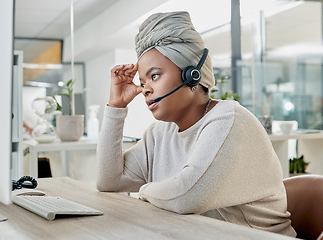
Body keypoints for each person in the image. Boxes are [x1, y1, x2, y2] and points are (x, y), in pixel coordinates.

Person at [96, 11, 296, 237]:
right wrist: (116, 106)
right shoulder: (159, 134)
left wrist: (143, 190)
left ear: (191, 75)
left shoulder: (229, 120)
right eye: (142, 82)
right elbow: (109, 181)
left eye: (154, 76)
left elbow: (186, 196)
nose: (145, 89)